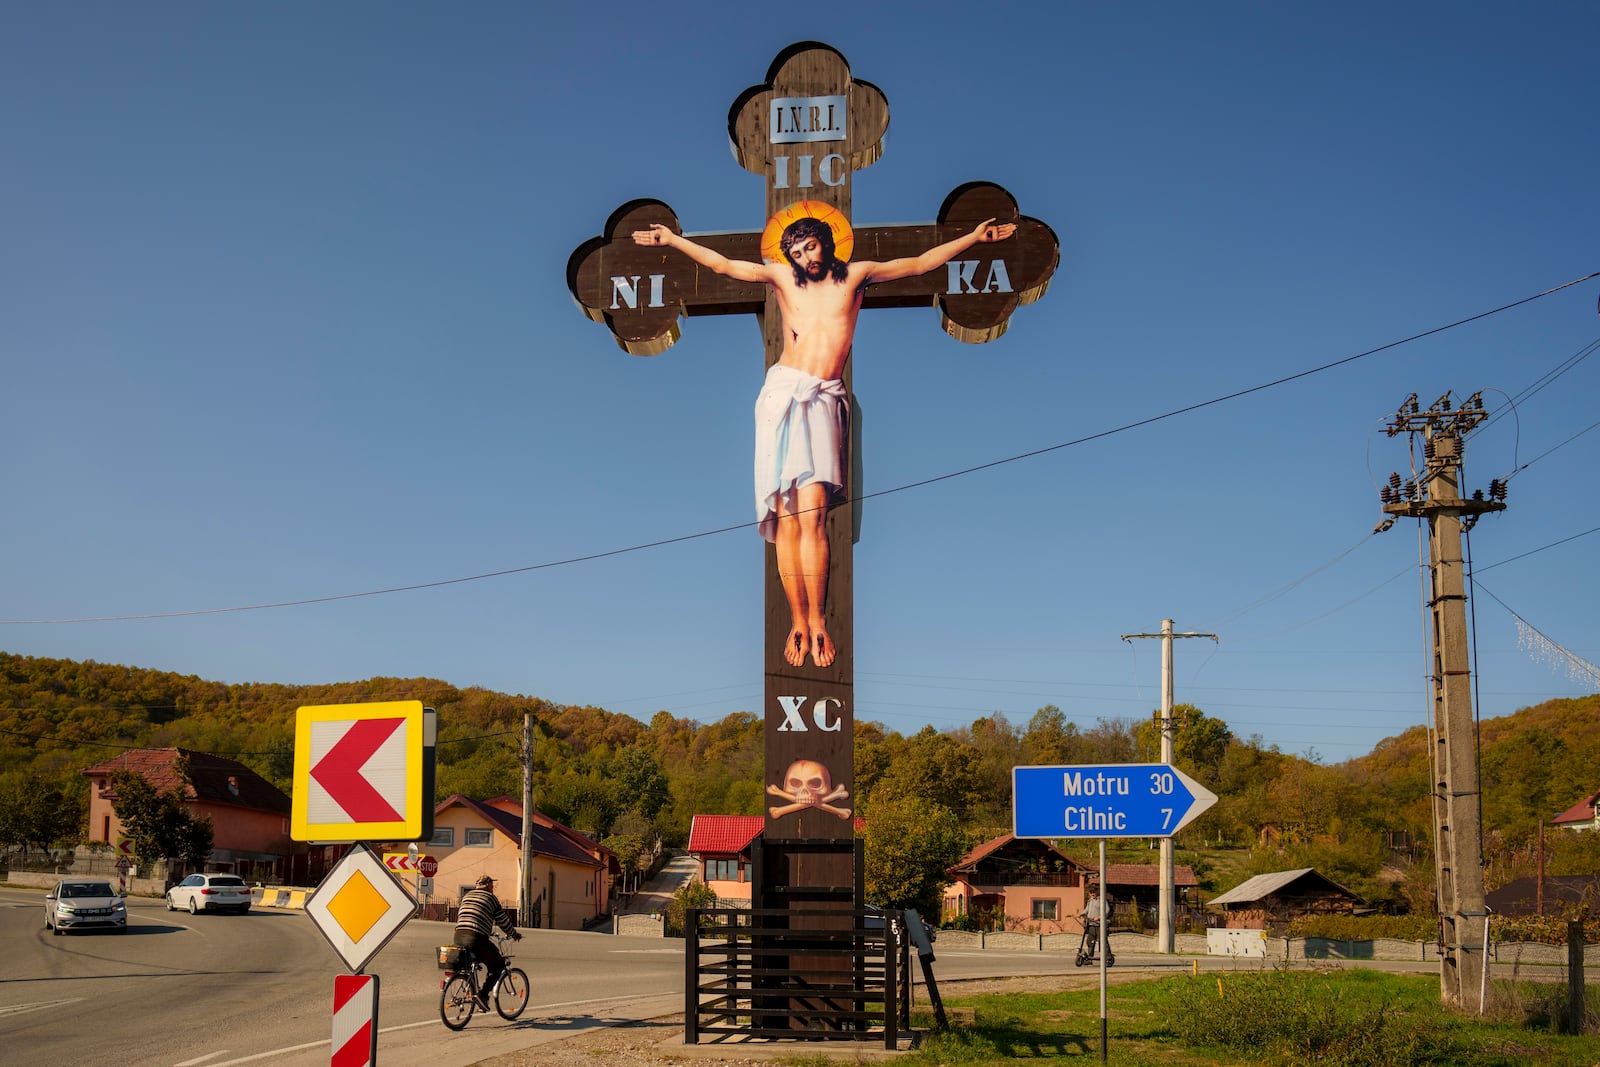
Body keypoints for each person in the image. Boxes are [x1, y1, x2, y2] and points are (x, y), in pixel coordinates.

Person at [633, 213, 1016, 668]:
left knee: (813, 518)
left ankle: (819, 620)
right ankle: (798, 621)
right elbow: (724, 266)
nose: (804, 259)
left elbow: (919, 263)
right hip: (782, 394)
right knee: (788, 523)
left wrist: (973, 235)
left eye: (810, 248)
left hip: (822, 398)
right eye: (795, 253)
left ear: (827, 242)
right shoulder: (781, 278)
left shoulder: (856, 275)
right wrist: (673, 241)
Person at [453, 874, 521, 1004]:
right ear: (488, 885)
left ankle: (470, 986)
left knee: (475, 959)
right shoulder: (491, 898)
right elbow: (502, 920)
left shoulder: (466, 896)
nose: (493, 888)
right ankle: (483, 995)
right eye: (492, 885)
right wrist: (514, 934)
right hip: (476, 938)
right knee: (498, 965)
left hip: (458, 936)